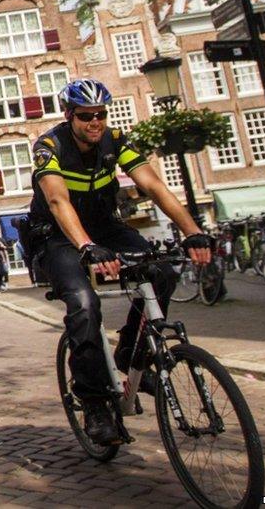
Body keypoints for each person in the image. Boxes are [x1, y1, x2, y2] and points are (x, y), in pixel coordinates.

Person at [29, 78, 211, 446]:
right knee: (83, 305)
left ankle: (131, 349)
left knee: (160, 273)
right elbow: (57, 201)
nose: (95, 122)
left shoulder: (116, 141)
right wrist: (86, 247)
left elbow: (154, 186)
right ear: (69, 115)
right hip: (58, 236)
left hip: (105, 227)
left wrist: (193, 231)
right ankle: (94, 401)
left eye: (101, 114)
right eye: (86, 116)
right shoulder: (50, 146)